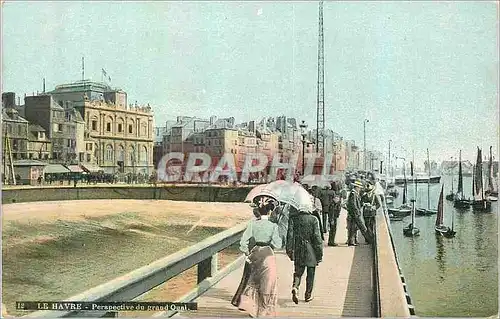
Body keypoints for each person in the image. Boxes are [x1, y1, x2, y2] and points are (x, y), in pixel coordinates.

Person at [232, 195, 282, 317]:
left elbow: (243, 242)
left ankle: (253, 309)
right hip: (268, 254)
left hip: (255, 253)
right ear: (270, 211)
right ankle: (264, 311)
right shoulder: (273, 226)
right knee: (268, 283)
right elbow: (278, 244)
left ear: (258, 212)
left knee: (254, 281)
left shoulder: (252, 225)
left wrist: (247, 253)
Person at [286, 205, 323, 304]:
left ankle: (295, 287)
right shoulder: (313, 219)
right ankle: (308, 295)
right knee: (311, 274)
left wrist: (289, 250)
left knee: (298, 272)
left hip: (298, 249)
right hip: (311, 250)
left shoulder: (294, 219)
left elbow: (290, 235)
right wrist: (319, 254)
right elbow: (317, 238)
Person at [346, 180, 373, 246]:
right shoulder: (353, 194)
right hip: (355, 214)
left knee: (354, 227)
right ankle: (369, 240)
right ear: (357, 187)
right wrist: (357, 212)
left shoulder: (354, 193)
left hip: (354, 213)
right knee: (361, 227)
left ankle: (352, 241)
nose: (360, 189)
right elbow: (353, 204)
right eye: (359, 188)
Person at [327, 181, 342, 246]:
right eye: (337, 198)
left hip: (334, 217)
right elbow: (332, 212)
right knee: (333, 230)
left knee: (333, 230)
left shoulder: (333, 203)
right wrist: (332, 219)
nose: (338, 199)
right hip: (333, 218)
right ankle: (331, 242)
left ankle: (331, 241)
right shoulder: (333, 205)